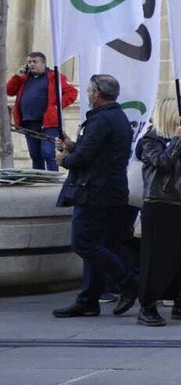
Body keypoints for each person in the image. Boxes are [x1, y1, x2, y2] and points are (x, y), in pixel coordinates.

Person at [51, 74, 136, 318]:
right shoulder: (117, 117)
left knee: (83, 243)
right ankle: (89, 298)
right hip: (110, 191)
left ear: (97, 93)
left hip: (94, 192)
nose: (87, 93)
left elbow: (84, 159)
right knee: (98, 246)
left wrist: (64, 159)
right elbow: (99, 152)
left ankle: (128, 280)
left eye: (89, 90)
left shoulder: (101, 120)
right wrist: (73, 144)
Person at [134, 98, 181, 326]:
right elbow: (161, 163)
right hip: (161, 202)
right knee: (158, 257)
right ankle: (147, 305)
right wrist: (177, 142)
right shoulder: (151, 138)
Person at [8, 52, 77, 171]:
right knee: (35, 154)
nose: (31, 64)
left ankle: (53, 179)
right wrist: (17, 76)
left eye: (35, 62)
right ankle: (39, 181)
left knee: (47, 152)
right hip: (28, 122)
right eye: (29, 62)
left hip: (48, 123)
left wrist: (57, 107)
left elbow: (72, 92)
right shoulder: (24, 78)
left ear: (43, 63)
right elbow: (10, 91)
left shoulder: (54, 77)